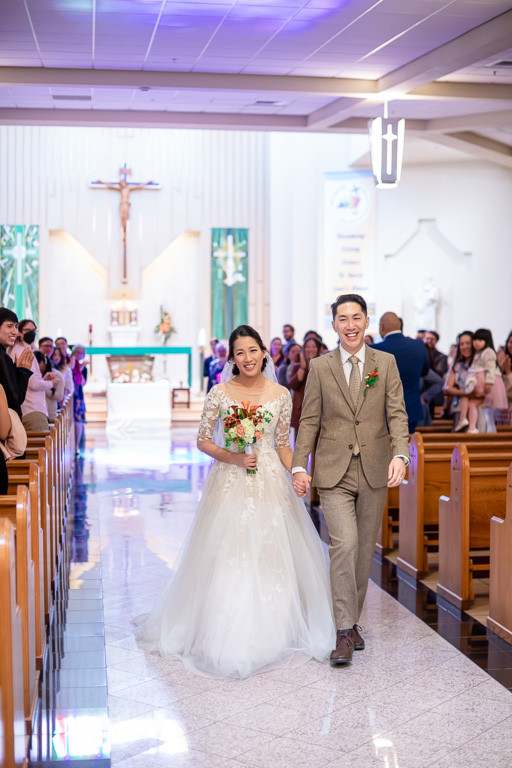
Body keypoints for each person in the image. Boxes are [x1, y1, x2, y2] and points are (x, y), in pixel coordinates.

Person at [134, 325, 335, 678]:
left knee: (272, 550)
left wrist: (299, 472)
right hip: (230, 479)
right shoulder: (220, 393)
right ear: (232, 358)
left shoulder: (281, 394)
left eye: (253, 350)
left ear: (263, 352)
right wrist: (234, 457)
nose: (248, 358)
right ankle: (225, 626)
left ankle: (275, 625)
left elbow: (283, 444)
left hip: (270, 478)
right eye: (240, 353)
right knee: (228, 550)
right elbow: (202, 441)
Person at [292, 294, 409, 665]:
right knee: (344, 544)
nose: (350, 324)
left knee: (362, 550)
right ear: (334, 326)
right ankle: (343, 632)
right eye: (342, 318)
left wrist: (401, 454)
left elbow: (398, 414)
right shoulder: (320, 366)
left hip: (374, 468)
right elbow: (309, 419)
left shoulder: (385, 363)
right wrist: (298, 465)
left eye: (356, 317)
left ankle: (351, 620)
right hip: (333, 470)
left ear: (366, 321)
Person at [371, 312, 430, 433]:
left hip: (383, 412)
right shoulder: (418, 345)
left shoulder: (374, 349)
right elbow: (425, 371)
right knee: (406, 448)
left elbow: (369, 381)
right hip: (411, 409)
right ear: (400, 325)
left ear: (381, 327)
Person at [455, 328, 508, 433]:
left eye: (480, 340)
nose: (476, 343)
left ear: (487, 341)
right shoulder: (479, 353)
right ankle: (471, 427)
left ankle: (484, 430)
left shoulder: (488, 352)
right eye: (475, 340)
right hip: (479, 382)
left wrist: (489, 382)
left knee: (486, 411)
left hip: (487, 383)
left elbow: (491, 369)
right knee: (473, 403)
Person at [11, 319, 56, 431]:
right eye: (27, 330)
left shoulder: (22, 350)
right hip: (32, 409)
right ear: (19, 332)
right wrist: (51, 384)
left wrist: (43, 379)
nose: (32, 333)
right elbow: (33, 384)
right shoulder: (24, 352)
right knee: (40, 447)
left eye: (34, 330)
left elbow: (28, 378)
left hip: (30, 408)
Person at [0, 308, 33, 417]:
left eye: (16, 327)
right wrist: (23, 371)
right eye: (9, 326)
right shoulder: (2, 357)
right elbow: (15, 400)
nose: (15, 332)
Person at [288, 336, 322, 433]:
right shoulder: (297, 366)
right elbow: (293, 385)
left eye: (313, 347)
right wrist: (303, 367)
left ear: (318, 349)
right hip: (301, 411)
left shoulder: (324, 365)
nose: (310, 349)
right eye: (307, 347)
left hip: (319, 411)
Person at [443, 331, 475, 431]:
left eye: (468, 343)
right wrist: (465, 393)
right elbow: (446, 389)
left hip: (479, 408)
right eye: (462, 344)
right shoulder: (456, 365)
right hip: (460, 409)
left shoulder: (480, 363)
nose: (465, 347)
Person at [71, 344, 88, 449]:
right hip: (71, 394)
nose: (79, 355)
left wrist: (80, 369)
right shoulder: (71, 363)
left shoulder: (83, 368)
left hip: (78, 395)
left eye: (81, 353)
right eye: (77, 352)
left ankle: (77, 446)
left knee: (78, 420)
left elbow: (82, 382)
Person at [40, 351, 64, 422]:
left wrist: (43, 387)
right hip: (37, 411)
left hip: (51, 413)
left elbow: (59, 397)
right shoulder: (34, 375)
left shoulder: (56, 375)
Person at [497, 331, 512, 425]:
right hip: (501, 411)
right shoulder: (504, 360)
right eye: (510, 342)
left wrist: (508, 372)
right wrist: (499, 371)